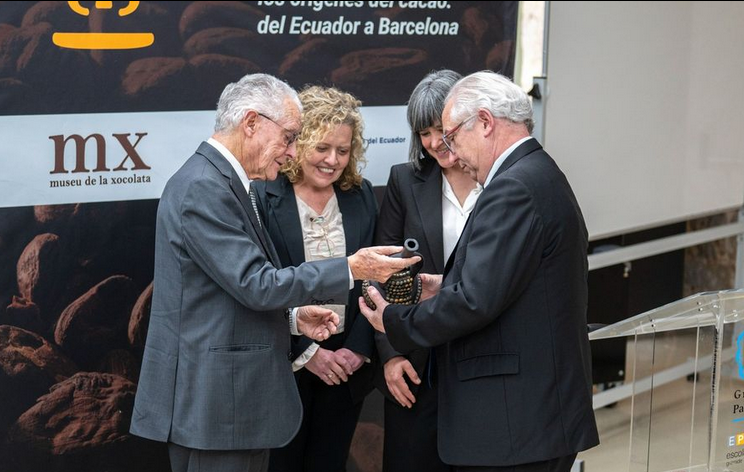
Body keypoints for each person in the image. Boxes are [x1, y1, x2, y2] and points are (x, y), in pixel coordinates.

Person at [130, 73, 419, 472]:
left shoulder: (224, 182)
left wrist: (295, 316)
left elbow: (228, 292)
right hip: (215, 405)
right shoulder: (205, 187)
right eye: (289, 137)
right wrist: (352, 267)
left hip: (229, 404)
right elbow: (256, 284)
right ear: (251, 123)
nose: (290, 151)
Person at [360, 71, 599, 471]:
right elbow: (505, 283)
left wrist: (393, 319)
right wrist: (441, 285)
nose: (449, 150)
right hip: (533, 417)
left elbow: (474, 301)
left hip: (514, 423)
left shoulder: (512, 188)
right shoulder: (539, 172)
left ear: (486, 123)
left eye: (452, 136)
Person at [252, 85, 376, 472]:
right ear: (298, 141)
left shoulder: (361, 195)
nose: (332, 160)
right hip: (284, 368)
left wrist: (357, 350)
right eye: (322, 147)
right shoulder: (262, 195)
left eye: (343, 150)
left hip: (347, 368)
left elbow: (376, 280)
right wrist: (307, 353)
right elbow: (259, 284)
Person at [373, 70, 479, 472]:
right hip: (416, 364)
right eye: (423, 133)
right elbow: (377, 273)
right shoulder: (405, 180)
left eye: (441, 129)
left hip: (479, 357)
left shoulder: (502, 182)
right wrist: (391, 354)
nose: (434, 143)